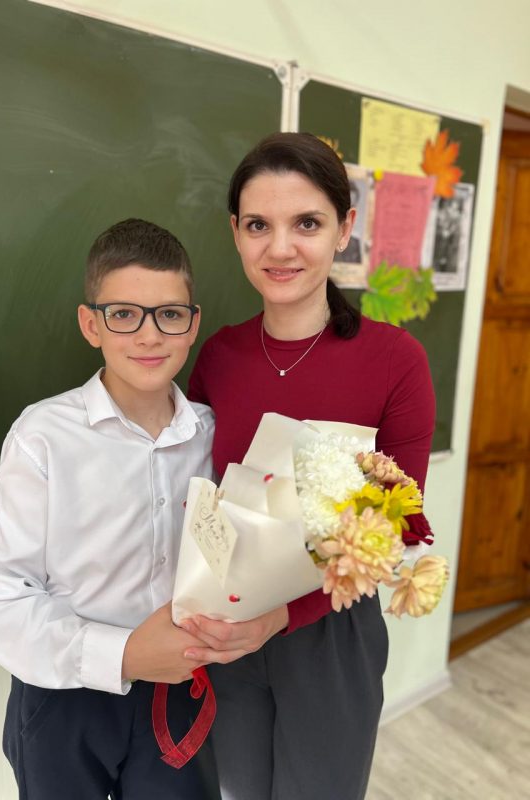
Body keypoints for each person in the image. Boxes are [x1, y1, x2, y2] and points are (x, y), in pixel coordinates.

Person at [179, 132, 436, 800]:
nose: (280, 248)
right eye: (258, 225)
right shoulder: (219, 357)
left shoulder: (395, 361)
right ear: (236, 233)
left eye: (307, 224)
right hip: (229, 620)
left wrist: (281, 618)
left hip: (331, 630)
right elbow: (186, 481)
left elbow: (398, 522)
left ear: (345, 229)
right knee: (236, 790)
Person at [0, 218, 217, 800]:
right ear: (90, 324)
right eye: (124, 314)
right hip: (63, 697)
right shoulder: (43, 436)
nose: (149, 336)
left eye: (169, 314)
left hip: (176, 690)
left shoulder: (212, 434)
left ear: (193, 323)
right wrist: (123, 654)